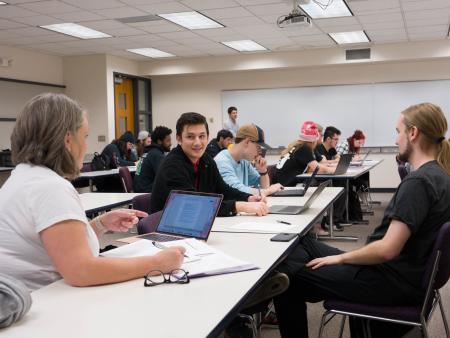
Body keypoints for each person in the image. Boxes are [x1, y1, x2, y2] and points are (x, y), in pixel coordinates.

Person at [273, 102, 450, 338]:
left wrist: (341, 258)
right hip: (403, 274)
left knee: (286, 279)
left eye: (398, 132)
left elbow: (387, 250)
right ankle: (302, 264)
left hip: (386, 278)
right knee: (302, 242)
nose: (396, 139)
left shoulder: (418, 183)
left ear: (413, 133)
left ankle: (286, 276)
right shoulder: (440, 175)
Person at [0, 93, 185, 291]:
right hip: (49, 307)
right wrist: (156, 263)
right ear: (68, 140)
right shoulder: (49, 187)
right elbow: (82, 270)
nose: (87, 145)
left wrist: (99, 224)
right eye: (85, 136)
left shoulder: (24, 177)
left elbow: (54, 246)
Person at [150, 112, 268, 217]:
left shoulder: (205, 159)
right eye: (190, 137)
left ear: (207, 137)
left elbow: (223, 189)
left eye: (202, 136)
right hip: (166, 228)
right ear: (179, 139)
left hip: (192, 222)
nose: (197, 142)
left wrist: (248, 198)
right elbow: (195, 204)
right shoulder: (172, 166)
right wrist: (241, 206)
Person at [215, 124, 283, 196]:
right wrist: (269, 191)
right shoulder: (222, 161)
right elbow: (236, 190)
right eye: (258, 147)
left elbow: (263, 187)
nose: (260, 152)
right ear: (247, 142)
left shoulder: (244, 161)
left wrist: (263, 171)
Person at [274, 121, 334, 187]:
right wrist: (334, 170)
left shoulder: (298, 146)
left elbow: (315, 166)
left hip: (280, 184)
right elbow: (319, 169)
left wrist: (331, 167)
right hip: (285, 187)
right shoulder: (304, 148)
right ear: (315, 139)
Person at [133, 126, 172, 193]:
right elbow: (164, 178)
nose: (170, 143)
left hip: (139, 190)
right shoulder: (157, 155)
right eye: (168, 141)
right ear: (159, 141)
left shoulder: (148, 152)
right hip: (146, 193)